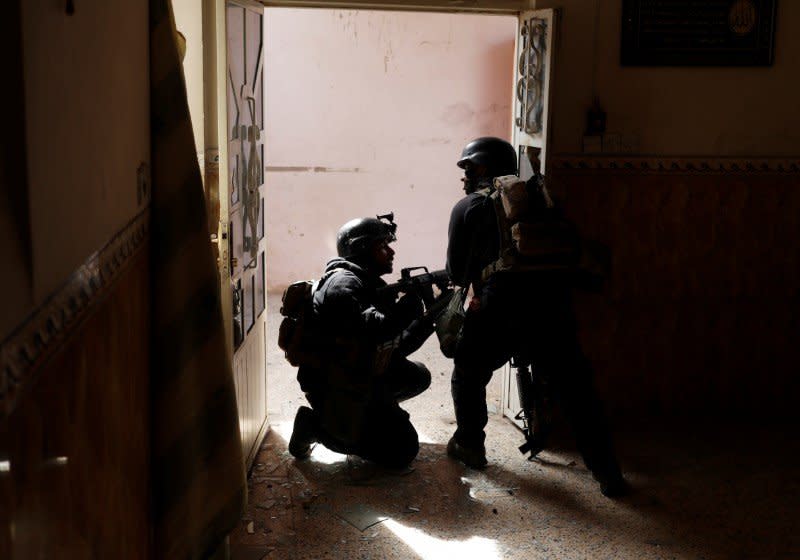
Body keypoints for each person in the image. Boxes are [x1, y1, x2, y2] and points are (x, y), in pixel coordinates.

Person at [445, 136, 629, 497]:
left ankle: (470, 443)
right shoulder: (544, 202)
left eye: (467, 167)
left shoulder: (467, 207)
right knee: (578, 393)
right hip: (552, 308)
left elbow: (456, 272)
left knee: (468, 371)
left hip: (500, 308)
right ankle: (608, 473)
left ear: (483, 167)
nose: (463, 175)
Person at [288, 213, 436, 468]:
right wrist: (408, 308)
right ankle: (314, 426)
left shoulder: (367, 284)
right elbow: (375, 330)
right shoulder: (341, 287)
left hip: (359, 372)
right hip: (334, 384)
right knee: (402, 451)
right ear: (362, 249)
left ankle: (373, 414)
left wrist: (430, 318)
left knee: (418, 376)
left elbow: (395, 345)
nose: (391, 252)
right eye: (382, 247)